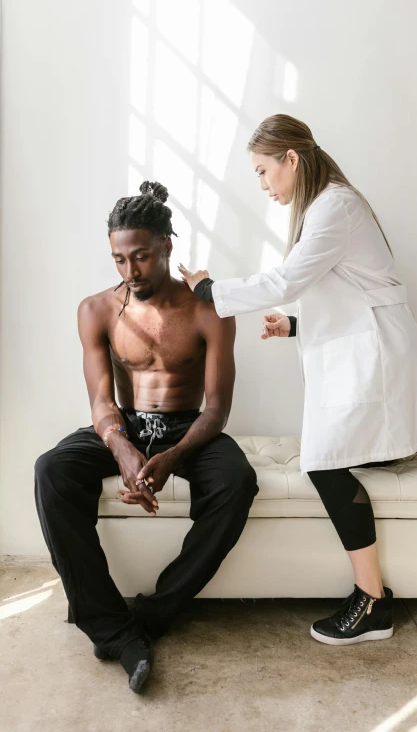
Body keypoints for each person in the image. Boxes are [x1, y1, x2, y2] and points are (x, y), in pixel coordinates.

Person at [179, 113, 417, 647]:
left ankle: (372, 601)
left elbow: (288, 278)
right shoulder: (328, 206)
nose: (262, 184)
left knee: (323, 461)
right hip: (367, 341)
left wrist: (210, 291)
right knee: (362, 449)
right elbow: (344, 286)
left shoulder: (334, 206)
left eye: (262, 171)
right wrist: (297, 324)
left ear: (291, 159)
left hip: (375, 349)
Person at [34, 181, 258, 692]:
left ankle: (154, 615)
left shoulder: (210, 309)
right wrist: (121, 446)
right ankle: (109, 626)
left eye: (141, 258)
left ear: (167, 247)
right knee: (52, 469)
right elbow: (100, 401)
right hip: (126, 422)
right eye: (119, 260)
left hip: (187, 427)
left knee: (237, 481)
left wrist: (174, 456)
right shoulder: (95, 310)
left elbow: (218, 409)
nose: (130, 273)